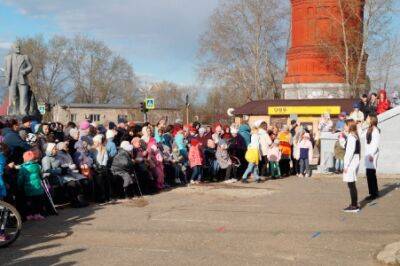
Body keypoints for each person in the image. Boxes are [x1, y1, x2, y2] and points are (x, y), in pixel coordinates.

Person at [18, 151, 46, 220]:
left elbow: (20, 179)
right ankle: (38, 214)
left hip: (28, 189)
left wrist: (19, 185)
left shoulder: (23, 168)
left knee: (29, 202)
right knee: (38, 202)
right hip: (38, 188)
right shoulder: (37, 166)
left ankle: (29, 215)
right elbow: (41, 175)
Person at [343, 120, 361, 213]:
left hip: (352, 162)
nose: (344, 127)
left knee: (351, 184)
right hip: (354, 160)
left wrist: (345, 166)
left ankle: (354, 205)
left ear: (349, 126)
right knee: (351, 184)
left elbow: (349, 153)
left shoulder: (351, 137)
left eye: (345, 125)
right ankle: (354, 204)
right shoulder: (354, 136)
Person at [363, 116, 380, 200]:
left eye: (368, 118)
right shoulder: (369, 129)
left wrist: (372, 154)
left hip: (372, 154)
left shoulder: (375, 130)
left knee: (371, 173)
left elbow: (376, 144)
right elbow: (362, 135)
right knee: (369, 173)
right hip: (368, 153)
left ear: (372, 120)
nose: (366, 119)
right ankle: (372, 192)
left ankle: (374, 193)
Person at [91, 135, 110, 203]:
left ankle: (107, 197)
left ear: (98, 142)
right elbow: (91, 159)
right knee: (99, 182)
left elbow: (105, 158)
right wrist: (95, 166)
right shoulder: (92, 150)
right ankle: (100, 198)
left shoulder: (104, 149)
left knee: (105, 181)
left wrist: (103, 166)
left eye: (95, 142)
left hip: (102, 168)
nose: (94, 143)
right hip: (95, 169)